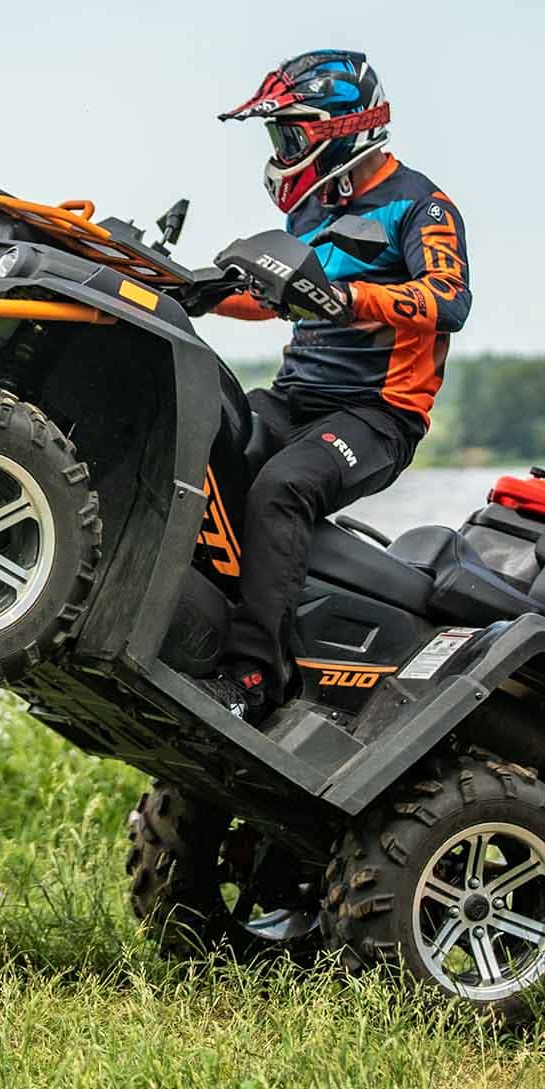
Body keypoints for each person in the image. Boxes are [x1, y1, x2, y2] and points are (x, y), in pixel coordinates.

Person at [191, 49, 472, 719]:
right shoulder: (313, 207)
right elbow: (272, 302)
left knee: (282, 488)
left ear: (341, 130)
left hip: (378, 416)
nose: (281, 151)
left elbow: (449, 299)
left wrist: (349, 298)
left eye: (290, 135)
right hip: (296, 397)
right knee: (201, 434)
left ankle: (255, 677)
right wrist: (197, 293)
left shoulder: (421, 207)